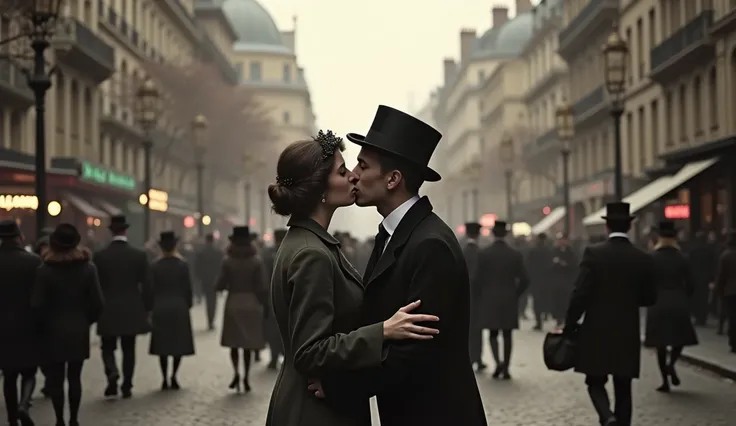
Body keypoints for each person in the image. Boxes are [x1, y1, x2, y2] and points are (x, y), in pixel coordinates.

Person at [315, 106, 487, 425]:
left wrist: (339, 386)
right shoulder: (396, 235)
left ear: (393, 179)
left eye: (363, 165)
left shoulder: (429, 244)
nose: (353, 174)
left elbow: (415, 351)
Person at [265, 129, 441, 426]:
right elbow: (309, 352)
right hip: (316, 412)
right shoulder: (313, 254)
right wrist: (382, 331)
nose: (352, 177)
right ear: (319, 188)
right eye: (343, 171)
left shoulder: (308, 242)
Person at [563, 202, 655, 426]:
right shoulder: (642, 258)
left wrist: (570, 323)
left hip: (597, 327)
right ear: (630, 227)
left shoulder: (594, 253)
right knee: (624, 386)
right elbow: (649, 298)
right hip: (627, 328)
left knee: (594, 380)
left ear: (606, 227)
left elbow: (580, 293)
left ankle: (607, 416)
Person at [32, 224, 104, 426]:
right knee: (75, 377)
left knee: (56, 378)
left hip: (53, 330)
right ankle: (73, 418)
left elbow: (37, 304)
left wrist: (44, 325)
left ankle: (59, 419)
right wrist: (86, 320)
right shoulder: (88, 268)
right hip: (78, 328)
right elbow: (98, 303)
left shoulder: (44, 270)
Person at [92, 215, 152, 399]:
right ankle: (127, 384)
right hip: (131, 307)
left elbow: (95, 285)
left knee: (107, 346)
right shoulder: (139, 255)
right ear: (126, 231)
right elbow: (147, 285)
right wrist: (146, 308)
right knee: (129, 348)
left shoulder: (100, 256)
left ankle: (111, 371)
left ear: (111, 231)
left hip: (108, 307)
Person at [643, 220, 698, 392]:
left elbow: (645, 282)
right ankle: (672, 363)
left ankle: (665, 381)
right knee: (679, 339)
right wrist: (685, 297)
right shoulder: (682, 258)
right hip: (677, 301)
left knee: (660, 344)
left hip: (657, 303)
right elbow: (691, 284)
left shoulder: (652, 257)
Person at [0, 220, 43, 426]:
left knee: (8, 375)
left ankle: (11, 419)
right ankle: (24, 404)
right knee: (29, 371)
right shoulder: (34, 262)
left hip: (2, 327)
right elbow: (40, 296)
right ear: (20, 237)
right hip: (28, 324)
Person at [216, 226, 267, 393]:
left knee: (234, 342)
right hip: (251, 302)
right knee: (248, 343)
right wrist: (265, 304)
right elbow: (261, 286)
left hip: (233, 302)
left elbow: (221, 284)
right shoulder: (256, 261)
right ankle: (246, 377)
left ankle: (236, 372)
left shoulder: (227, 260)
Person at [476, 220, 530, 379]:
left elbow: (477, 279)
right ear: (506, 234)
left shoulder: (484, 254)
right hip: (509, 299)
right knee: (507, 334)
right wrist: (516, 294)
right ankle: (506, 367)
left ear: (493, 234)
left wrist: (483, 295)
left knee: (493, 333)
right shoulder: (514, 254)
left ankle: (497, 362)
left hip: (490, 299)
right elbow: (525, 279)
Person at [148, 231, 195, 390]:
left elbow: (150, 289)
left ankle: (164, 377)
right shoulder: (182, 264)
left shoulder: (155, 265)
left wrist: (150, 307)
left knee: (163, 345)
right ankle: (174, 375)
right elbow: (188, 289)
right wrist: (187, 304)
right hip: (179, 306)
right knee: (177, 344)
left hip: (160, 307)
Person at [262, 228, 287, 370]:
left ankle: (273, 357)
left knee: (273, 329)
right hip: (287, 296)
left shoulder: (267, 254)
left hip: (271, 295)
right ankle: (285, 356)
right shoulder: (291, 252)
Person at [463, 222, 485, 371]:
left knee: (468, 328)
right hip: (478, 295)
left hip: (465, 295)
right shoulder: (479, 251)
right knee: (478, 328)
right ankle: (477, 357)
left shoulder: (462, 250)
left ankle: (470, 357)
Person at [194, 234, 225, 331]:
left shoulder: (201, 253)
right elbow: (221, 267)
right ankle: (211, 319)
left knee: (208, 300)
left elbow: (197, 267)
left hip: (205, 280)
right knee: (213, 301)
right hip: (215, 279)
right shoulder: (218, 252)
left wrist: (199, 277)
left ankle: (209, 320)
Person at [714, 230, 736, 353]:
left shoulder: (725, 256)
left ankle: (733, 341)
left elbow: (721, 275)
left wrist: (718, 289)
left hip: (730, 291)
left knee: (732, 316)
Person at [526, 233, 554, 330]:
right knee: (544, 299)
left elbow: (528, 265)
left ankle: (539, 321)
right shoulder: (549, 251)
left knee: (537, 301)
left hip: (536, 279)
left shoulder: (533, 250)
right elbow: (551, 265)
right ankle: (544, 315)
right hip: (546, 279)